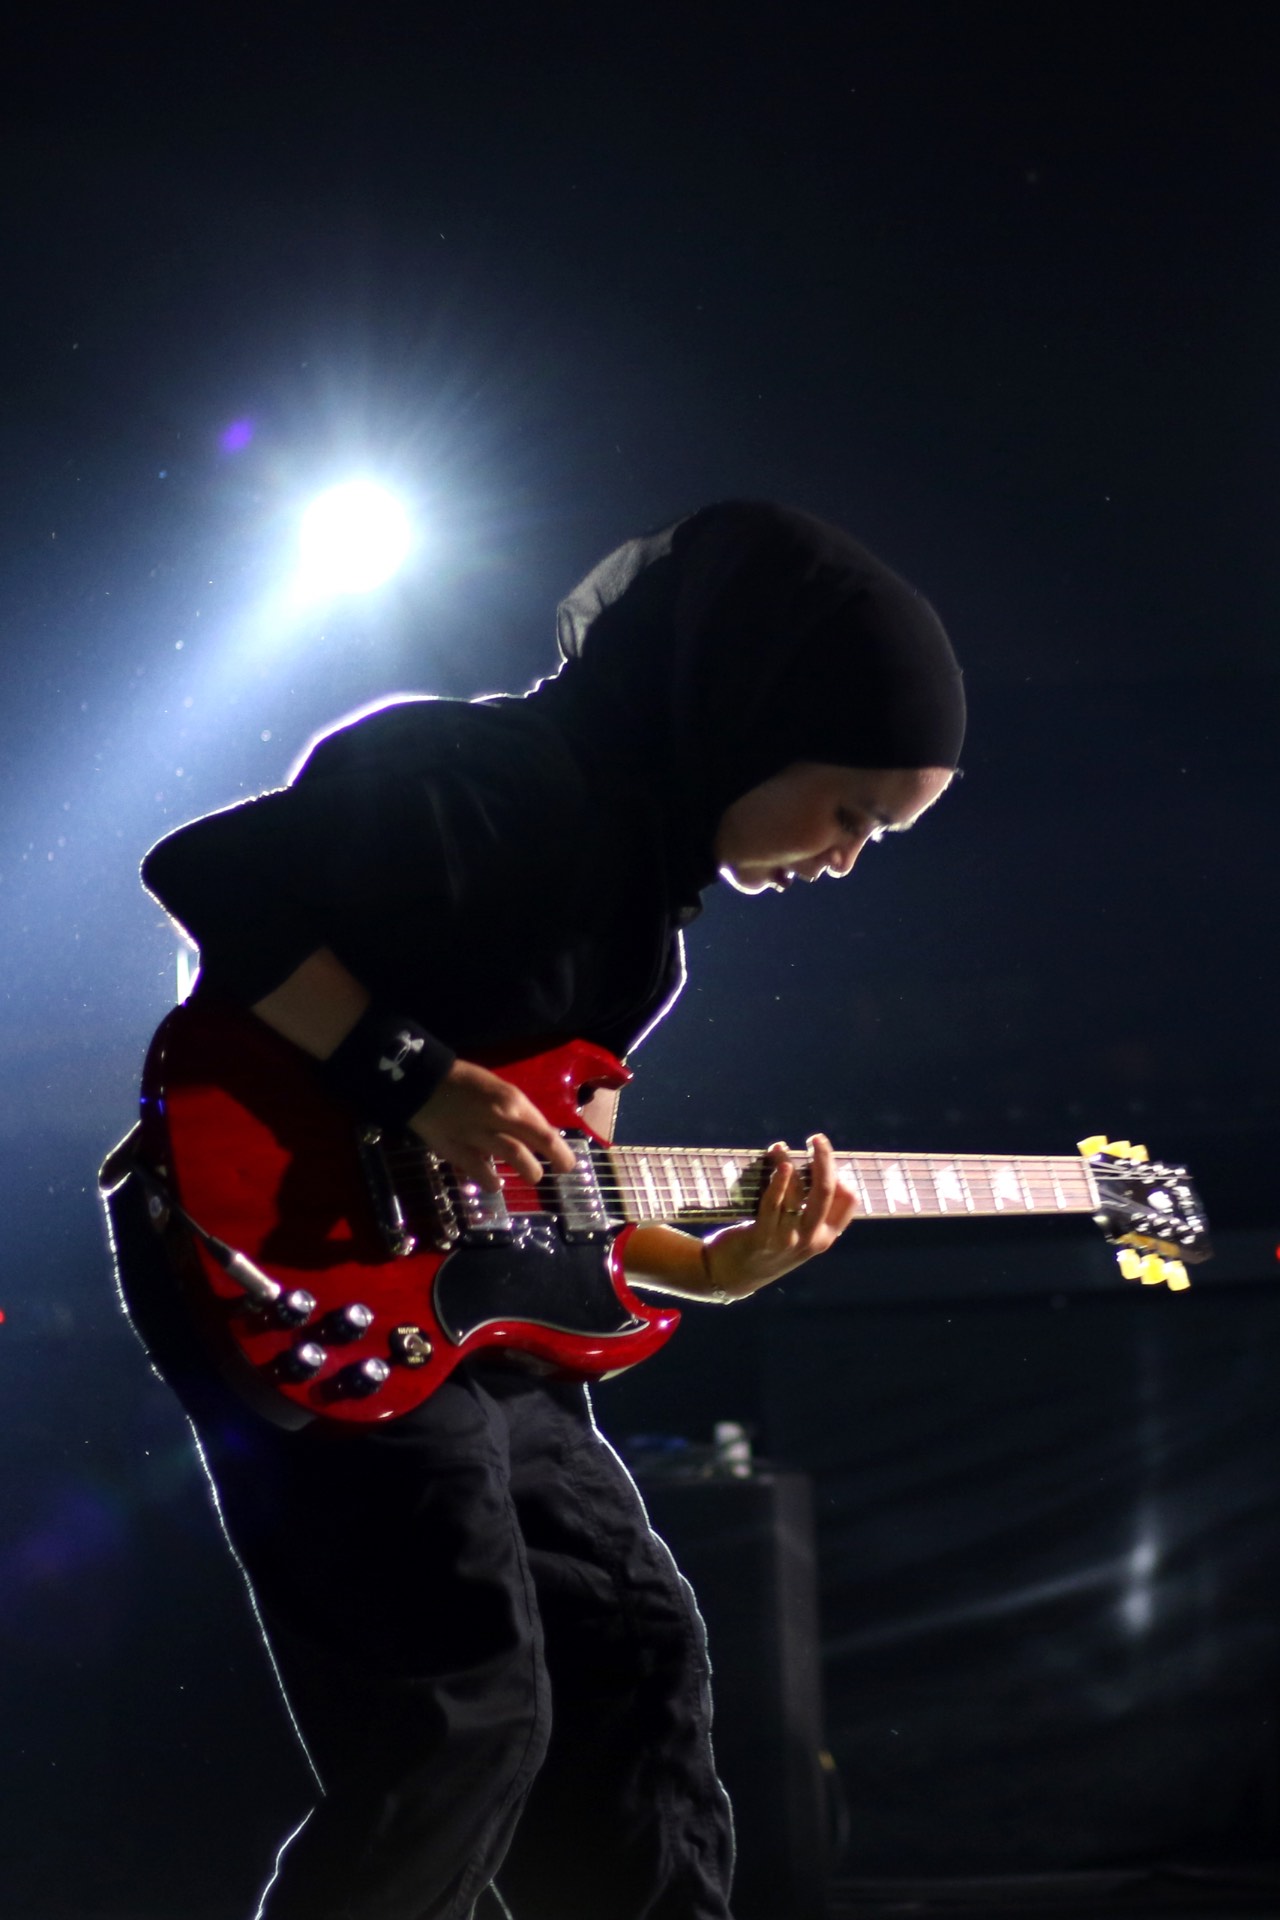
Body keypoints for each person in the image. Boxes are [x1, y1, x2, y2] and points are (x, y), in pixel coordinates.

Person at [107, 499, 965, 1920]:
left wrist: (716, 1266)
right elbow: (208, 873)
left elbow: (557, 1206)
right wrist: (415, 1076)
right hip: (284, 1249)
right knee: (466, 1710)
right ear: (754, 718)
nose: (845, 857)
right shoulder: (494, 775)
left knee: (632, 1651)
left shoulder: (646, 940)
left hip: (458, 1311)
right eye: (852, 809)